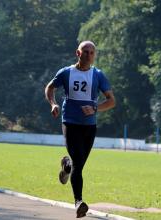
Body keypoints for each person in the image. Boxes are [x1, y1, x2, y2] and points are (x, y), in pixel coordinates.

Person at [45, 41, 115, 218]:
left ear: (95, 55)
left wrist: (96, 108)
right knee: (78, 163)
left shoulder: (98, 75)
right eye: (85, 52)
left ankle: (66, 167)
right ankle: (79, 202)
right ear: (78, 53)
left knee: (79, 164)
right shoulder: (66, 72)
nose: (88, 55)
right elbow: (50, 87)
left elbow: (111, 101)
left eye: (92, 52)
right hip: (70, 122)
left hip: (89, 126)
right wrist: (53, 104)